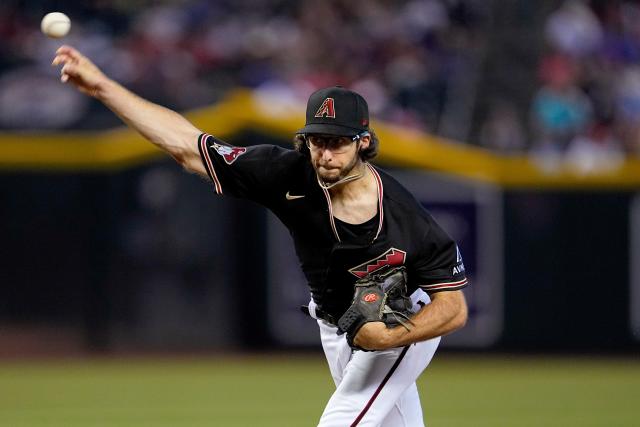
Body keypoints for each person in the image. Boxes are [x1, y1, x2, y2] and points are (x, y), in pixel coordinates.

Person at [53, 45, 468, 427]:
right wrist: (103, 87)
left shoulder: (401, 214)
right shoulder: (285, 172)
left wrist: (394, 336)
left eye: (337, 142)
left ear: (363, 142)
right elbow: (186, 145)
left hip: (401, 318)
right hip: (337, 321)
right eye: (317, 141)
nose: (325, 154)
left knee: (344, 419)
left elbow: (453, 306)